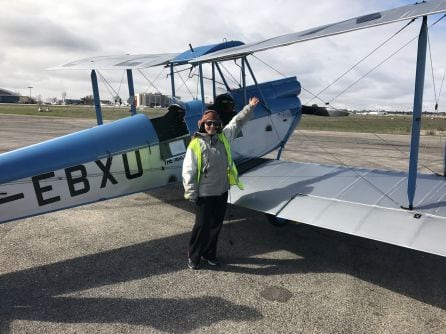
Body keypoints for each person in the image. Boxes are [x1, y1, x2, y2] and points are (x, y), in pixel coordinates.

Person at [182, 96, 260, 269]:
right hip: (204, 193)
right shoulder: (196, 144)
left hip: (222, 191)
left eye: (215, 124)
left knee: (215, 226)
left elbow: (237, 122)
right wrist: (191, 193)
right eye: (208, 123)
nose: (212, 126)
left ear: (219, 125)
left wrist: (250, 107)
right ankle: (193, 256)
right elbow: (188, 171)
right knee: (201, 226)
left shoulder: (224, 136)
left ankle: (209, 254)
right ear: (203, 125)